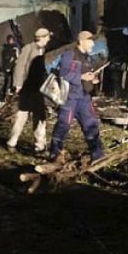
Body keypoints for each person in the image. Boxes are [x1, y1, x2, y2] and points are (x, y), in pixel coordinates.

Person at [48, 30, 104, 163]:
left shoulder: (87, 58)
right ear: (82, 41)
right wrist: (81, 77)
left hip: (84, 98)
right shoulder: (69, 55)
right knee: (64, 125)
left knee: (91, 125)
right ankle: (54, 154)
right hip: (70, 98)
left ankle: (98, 156)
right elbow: (64, 74)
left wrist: (91, 79)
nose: (92, 44)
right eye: (90, 41)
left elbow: (84, 75)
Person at [6, 28, 51, 154]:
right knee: (22, 116)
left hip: (40, 88)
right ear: (42, 37)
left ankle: (40, 145)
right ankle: (12, 142)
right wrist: (18, 84)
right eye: (47, 37)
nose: (49, 39)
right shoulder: (28, 48)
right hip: (28, 87)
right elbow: (19, 66)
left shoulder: (46, 50)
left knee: (40, 116)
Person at [0, 34, 19, 98]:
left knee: (13, 80)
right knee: (7, 80)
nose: (11, 41)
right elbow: (4, 59)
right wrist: (7, 67)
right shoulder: (5, 49)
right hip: (7, 66)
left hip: (13, 66)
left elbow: (17, 57)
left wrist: (16, 53)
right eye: (9, 40)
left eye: (12, 40)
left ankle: (11, 92)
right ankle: (5, 94)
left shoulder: (15, 48)